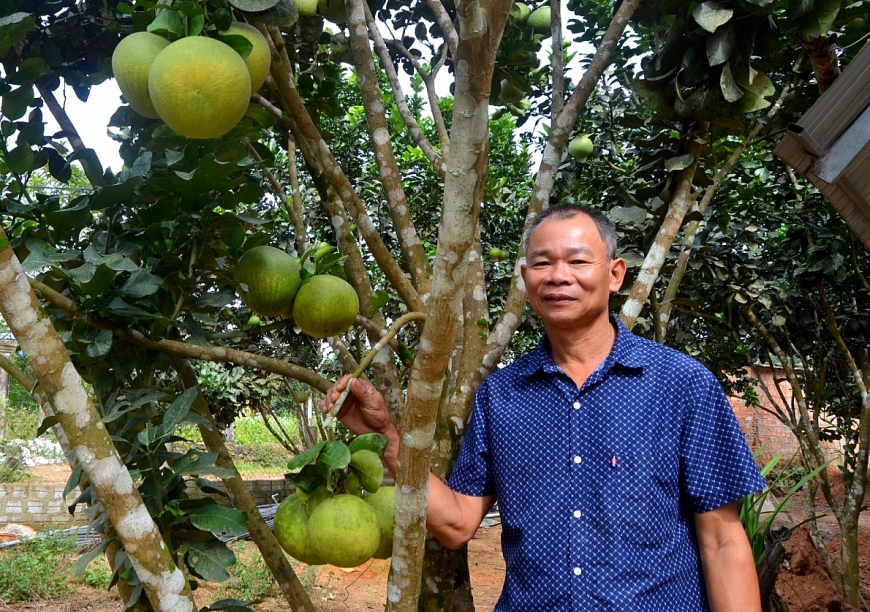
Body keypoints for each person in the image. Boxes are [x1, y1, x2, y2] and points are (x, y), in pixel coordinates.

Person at [320, 204, 766, 611]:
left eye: (577, 260)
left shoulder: (681, 384)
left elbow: (723, 541)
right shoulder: (502, 394)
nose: (558, 276)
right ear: (524, 276)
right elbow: (456, 524)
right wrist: (384, 437)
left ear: (615, 274)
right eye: (542, 263)